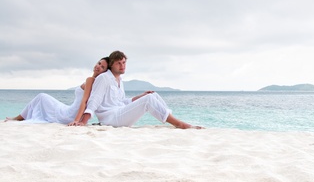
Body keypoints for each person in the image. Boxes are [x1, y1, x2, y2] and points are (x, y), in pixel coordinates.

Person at [71, 50, 203, 129]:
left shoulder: (119, 81)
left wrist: (140, 96)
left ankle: (173, 119)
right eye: (119, 63)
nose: (122, 66)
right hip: (110, 119)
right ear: (111, 65)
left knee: (152, 95)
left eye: (124, 63)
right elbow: (94, 100)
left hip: (119, 114)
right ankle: (180, 124)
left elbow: (122, 102)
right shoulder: (104, 78)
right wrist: (83, 122)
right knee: (149, 99)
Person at [5, 57, 109, 125]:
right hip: (71, 112)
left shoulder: (91, 80)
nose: (98, 66)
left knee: (41, 96)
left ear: (104, 72)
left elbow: (84, 101)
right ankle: (19, 117)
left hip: (69, 115)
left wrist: (76, 120)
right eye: (99, 63)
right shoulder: (95, 83)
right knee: (42, 98)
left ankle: (17, 118)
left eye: (102, 67)